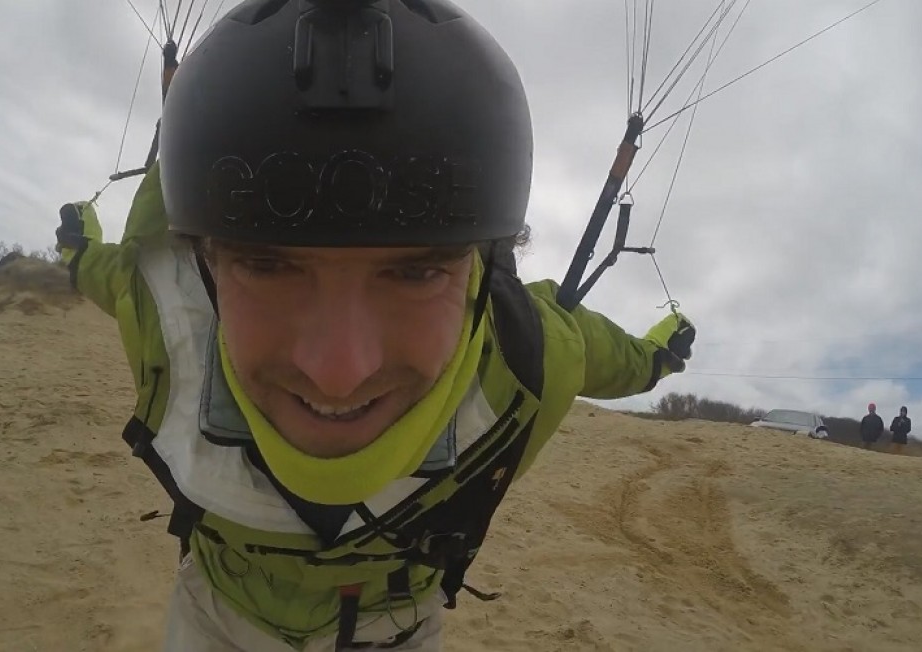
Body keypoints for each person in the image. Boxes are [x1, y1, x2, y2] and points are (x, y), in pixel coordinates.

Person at [57, 1, 696, 650]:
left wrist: (659, 355)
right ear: (207, 267)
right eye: (266, 264)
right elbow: (104, 274)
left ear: (480, 274)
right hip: (215, 618)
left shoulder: (529, 359)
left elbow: (614, 356)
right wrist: (76, 250)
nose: (338, 372)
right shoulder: (168, 313)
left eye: (416, 274)